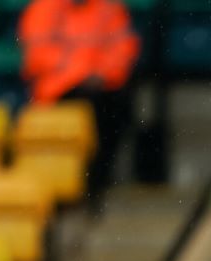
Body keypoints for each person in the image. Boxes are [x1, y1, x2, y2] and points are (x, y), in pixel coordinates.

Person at [18, 0, 141, 202]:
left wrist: (102, 73)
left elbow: (124, 48)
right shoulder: (44, 7)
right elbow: (38, 54)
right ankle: (81, 187)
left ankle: (98, 181)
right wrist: (83, 73)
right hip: (58, 90)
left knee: (118, 108)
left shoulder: (108, 8)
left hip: (102, 85)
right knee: (88, 105)